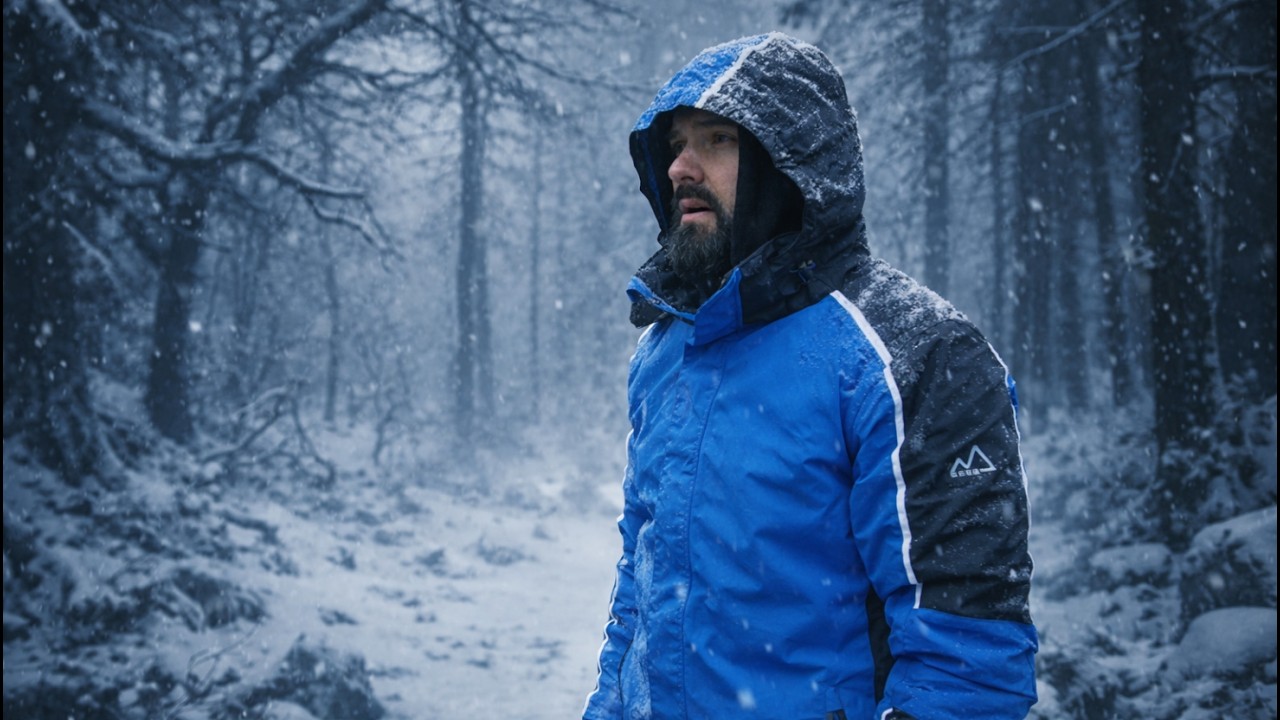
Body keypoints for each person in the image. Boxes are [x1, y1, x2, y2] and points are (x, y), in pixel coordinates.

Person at [582, 32, 1037, 720]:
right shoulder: (669, 347)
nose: (681, 166)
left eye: (717, 140)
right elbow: (640, 595)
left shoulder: (916, 352)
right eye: (676, 144)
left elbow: (966, 660)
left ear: (791, 162)